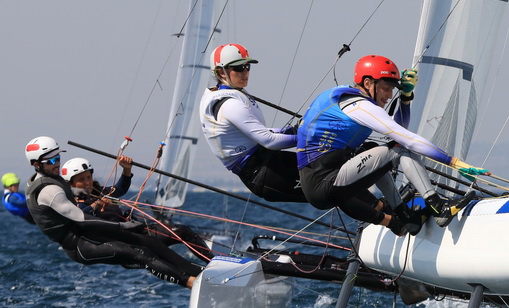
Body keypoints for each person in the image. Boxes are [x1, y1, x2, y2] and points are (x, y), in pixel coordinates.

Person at [297, 55, 488, 235]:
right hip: (327, 182)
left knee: (373, 149)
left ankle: (406, 216)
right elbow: (406, 139)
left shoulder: (344, 99)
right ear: (368, 83)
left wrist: (405, 97)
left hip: (319, 185)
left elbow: (398, 131)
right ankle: (438, 207)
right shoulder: (359, 106)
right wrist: (454, 162)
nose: (389, 95)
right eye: (386, 88)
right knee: (401, 149)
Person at [23, 136, 202, 288]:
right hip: (79, 244)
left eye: (57, 158)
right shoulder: (49, 190)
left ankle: (199, 272)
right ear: (36, 164)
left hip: (91, 234)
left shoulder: (57, 181)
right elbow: (81, 219)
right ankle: (192, 283)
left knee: (150, 242)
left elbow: (112, 191)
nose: (56, 163)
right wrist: (121, 225)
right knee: (141, 253)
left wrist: (125, 172)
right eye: (51, 161)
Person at [199, 43, 307, 203]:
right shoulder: (230, 104)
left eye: (247, 66)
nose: (245, 72)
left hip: (271, 160)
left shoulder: (228, 94)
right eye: (238, 68)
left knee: (332, 168)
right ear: (221, 72)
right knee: (334, 189)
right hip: (263, 174)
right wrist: (309, 137)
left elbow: (259, 132)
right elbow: (269, 141)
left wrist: (292, 131)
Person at [61, 156, 214, 260]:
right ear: (70, 184)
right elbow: (78, 217)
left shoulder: (99, 192)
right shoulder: (72, 203)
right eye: (81, 179)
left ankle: (213, 263)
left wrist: (126, 170)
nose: (87, 182)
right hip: (125, 242)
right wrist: (96, 205)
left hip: (138, 230)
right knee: (166, 253)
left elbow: (119, 189)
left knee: (183, 231)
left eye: (88, 177)